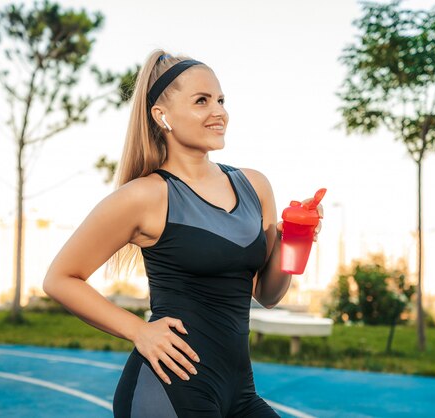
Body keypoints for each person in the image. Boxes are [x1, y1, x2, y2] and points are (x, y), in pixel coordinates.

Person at [43, 50, 323, 418]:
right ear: (162, 116)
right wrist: (138, 330)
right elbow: (60, 279)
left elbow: (267, 294)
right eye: (201, 101)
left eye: (221, 100)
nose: (219, 112)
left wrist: (293, 241)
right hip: (167, 391)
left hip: (239, 393)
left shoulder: (255, 186)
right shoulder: (144, 195)